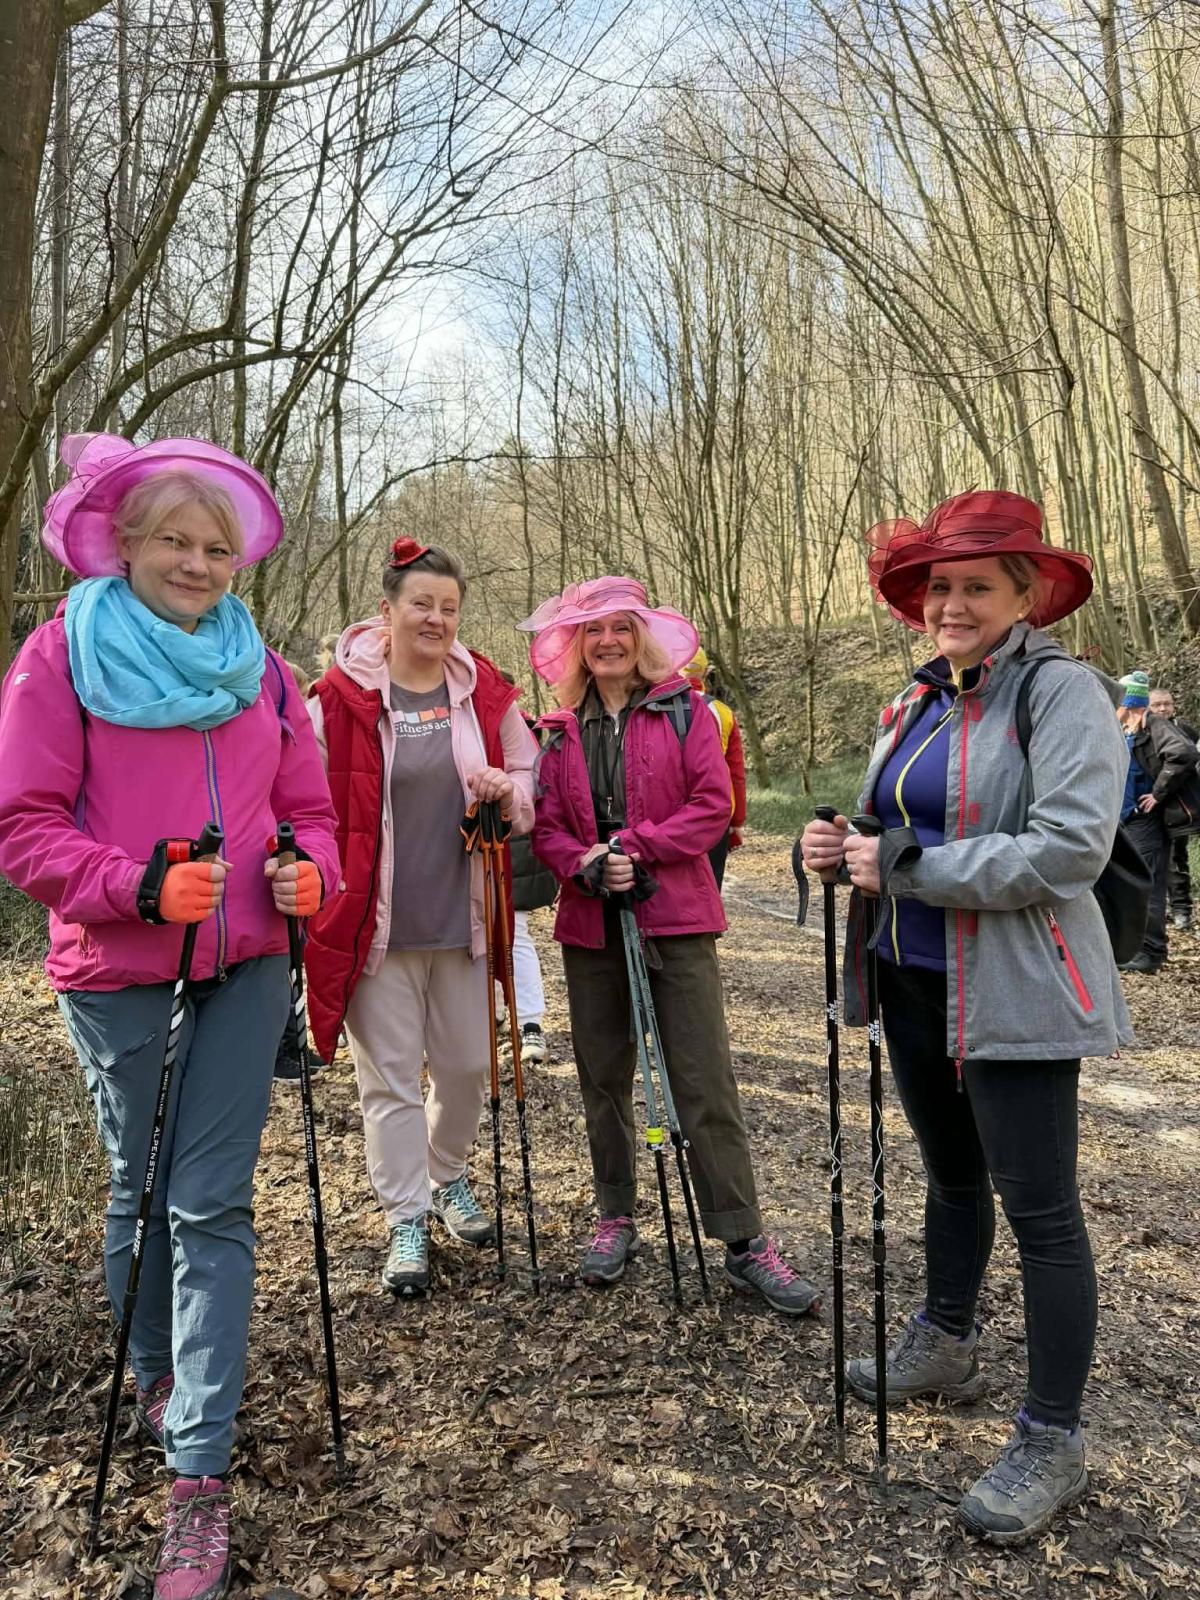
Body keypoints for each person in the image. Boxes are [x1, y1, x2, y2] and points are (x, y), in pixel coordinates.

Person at [0, 433, 340, 1600]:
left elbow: (310, 812)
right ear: (125, 544)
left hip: (245, 962)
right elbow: (23, 827)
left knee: (209, 1199)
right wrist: (135, 885)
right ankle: (154, 1370)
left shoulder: (266, 671)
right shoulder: (59, 657)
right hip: (117, 961)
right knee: (138, 1186)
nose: (197, 564)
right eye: (175, 543)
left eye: (216, 549)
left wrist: (310, 871)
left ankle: (199, 1471)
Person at [800, 490, 1131, 1544]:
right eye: (939, 586)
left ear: (1025, 596)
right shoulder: (919, 698)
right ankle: (947, 1340)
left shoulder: (1062, 693)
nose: (950, 603)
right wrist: (838, 845)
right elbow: (889, 823)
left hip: (1017, 986)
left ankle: (1053, 1435)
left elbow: (1070, 847)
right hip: (912, 979)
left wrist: (910, 867)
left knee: (1042, 1211)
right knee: (950, 1176)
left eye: (975, 586)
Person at [523, 575, 818, 1315]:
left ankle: (743, 1237)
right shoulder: (557, 731)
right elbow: (549, 827)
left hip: (676, 915)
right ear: (577, 646)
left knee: (702, 1076)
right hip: (591, 918)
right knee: (602, 1075)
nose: (608, 641)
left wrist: (635, 847)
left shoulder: (687, 713)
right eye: (593, 631)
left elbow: (711, 806)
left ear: (642, 636)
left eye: (621, 627)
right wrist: (586, 863)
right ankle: (615, 1214)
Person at [303, 539, 537, 1298]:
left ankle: (446, 1173)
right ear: (388, 610)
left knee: (467, 1067)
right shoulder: (338, 700)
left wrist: (508, 790)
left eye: (449, 607)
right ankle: (406, 1216)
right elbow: (298, 791)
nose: (436, 619)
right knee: (391, 1081)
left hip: (464, 918)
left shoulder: (483, 691)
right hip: (373, 924)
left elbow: (527, 773)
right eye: (421, 604)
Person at [1115, 672, 1198, 973]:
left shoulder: (1155, 725)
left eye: (1119, 702)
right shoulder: (1129, 729)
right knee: (1130, 883)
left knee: (1147, 884)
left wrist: (1158, 794)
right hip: (1126, 820)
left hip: (1146, 821)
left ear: (1129, 704)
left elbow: (1183, 753)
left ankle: (1151, 951)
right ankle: (1132, 946)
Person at [683, 647, 747, 889]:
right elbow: (736, 773)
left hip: (672, 814)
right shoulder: (723, 712)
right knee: (709, 890)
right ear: (705, 672)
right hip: (716, 813)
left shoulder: (654, 706)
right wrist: (737, 821)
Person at [1147, 686, 1198, 930]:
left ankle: (1181, 909)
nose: (1163, 709)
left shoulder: (1185, 732)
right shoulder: (1141, 731)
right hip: (1146, 808)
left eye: (1166, 704)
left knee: (1176, 858)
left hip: (1178, 807)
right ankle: (1157, 910)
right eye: (1157, 704)